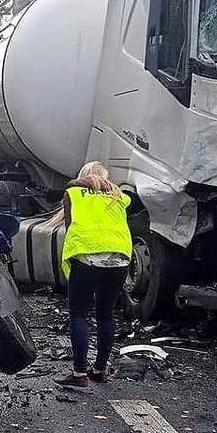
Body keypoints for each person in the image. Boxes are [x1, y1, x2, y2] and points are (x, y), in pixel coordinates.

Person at [56, 162, 133, 390]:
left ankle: (80, 373)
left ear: (82, 175)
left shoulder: (73, 193)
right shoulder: (119, 197)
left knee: (79, 314)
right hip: (119, 258)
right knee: (106, 314)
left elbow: (71, 226)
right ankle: (100, 370)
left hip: (87, 256)